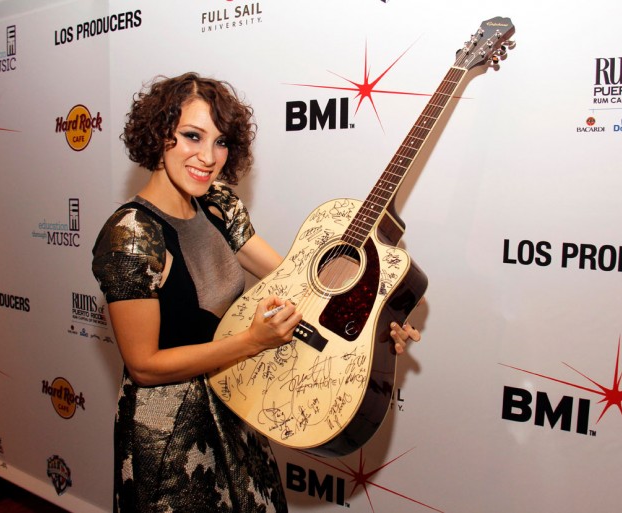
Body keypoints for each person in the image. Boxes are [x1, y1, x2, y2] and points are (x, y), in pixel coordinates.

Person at [91, 72, 421, 513]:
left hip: (238, 400)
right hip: (170, 436)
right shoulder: (131, 235)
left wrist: (375, 322)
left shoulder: (219, 205)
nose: (208, 157)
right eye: (192, 136)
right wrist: (250, 341)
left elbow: (299, 282)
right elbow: (145, 366)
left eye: (221, 142)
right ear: (158, 134)